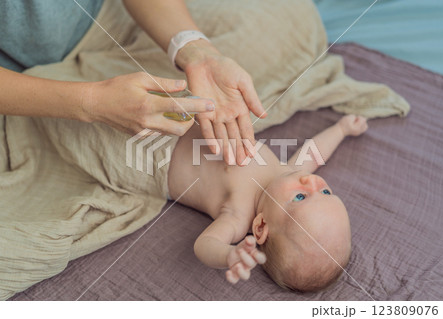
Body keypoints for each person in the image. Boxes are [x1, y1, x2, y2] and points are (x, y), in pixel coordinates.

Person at [0, 0, 266, 164]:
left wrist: (196, 51)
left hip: (110, 18)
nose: (310, 182)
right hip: (23, 85)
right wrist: (92, 102)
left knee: (291, 19)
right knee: (126, 151)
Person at [168, 115, 368, 291]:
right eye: (325, 191)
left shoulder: (239, 214)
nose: (312, 182)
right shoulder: (288, 174)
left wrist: (229, 255)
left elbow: (204, 244)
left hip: (163, 150)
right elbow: (314, 154)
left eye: (301, 197)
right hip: (192, 117)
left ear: (261, 226)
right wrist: (341, 129)